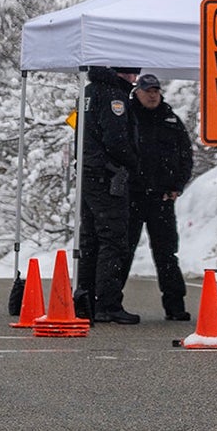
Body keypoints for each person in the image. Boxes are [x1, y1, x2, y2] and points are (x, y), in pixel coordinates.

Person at [123, 74, 195, 322]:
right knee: (123, 251)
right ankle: (108, 303)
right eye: (147, 91)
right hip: (132, 197)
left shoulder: (171, 120)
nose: (152, 95)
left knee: (166, 254)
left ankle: (175, 307)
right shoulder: (126, 117)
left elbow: (186, 157)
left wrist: (177, 186)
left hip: (162, 199)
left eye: (155, 90)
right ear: (137, 92)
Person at [74, 65, 141, 323]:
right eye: (132, 73)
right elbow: (116, 139)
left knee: (90, 239)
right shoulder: (114, 95)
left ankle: (86, 299)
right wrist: (133, 162)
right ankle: (108, 304)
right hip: (107, 176)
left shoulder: (88, 91)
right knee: (113, 240)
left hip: (89, 173)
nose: (134, 78)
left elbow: (80, 131)